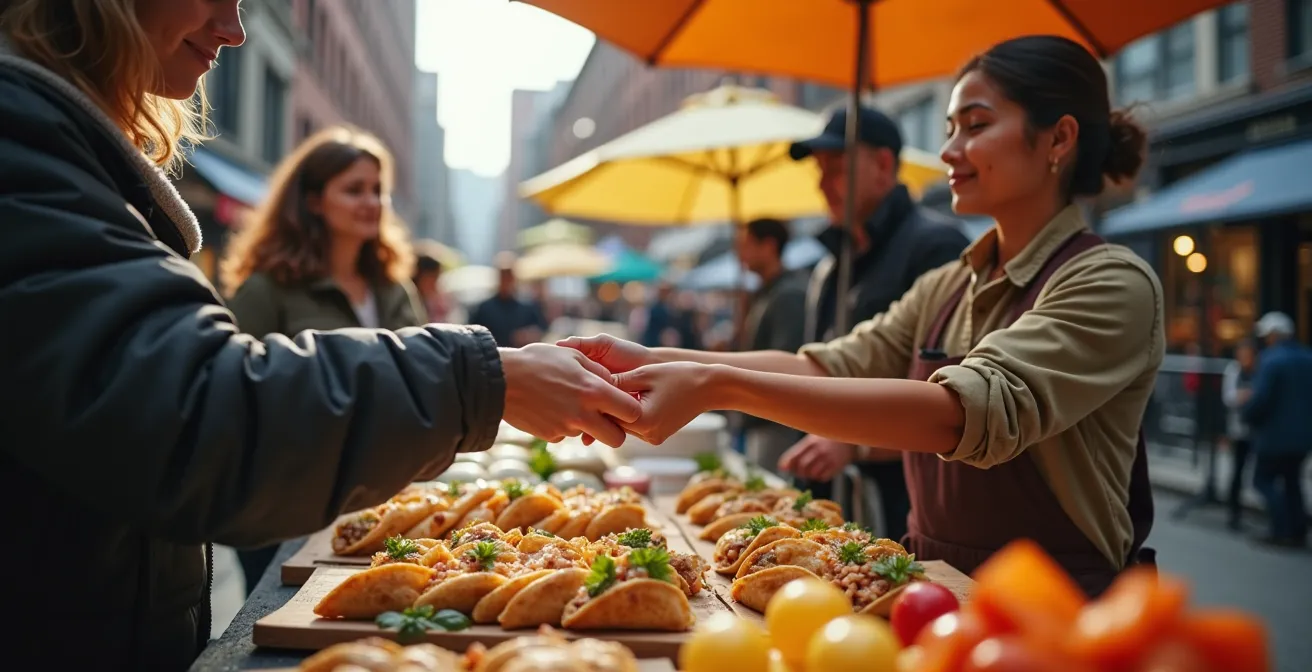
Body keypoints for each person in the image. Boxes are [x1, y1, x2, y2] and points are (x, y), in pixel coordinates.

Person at [0, 1, 640, 669]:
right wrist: (483, 380)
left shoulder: (52, 144)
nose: (235, 28)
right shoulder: (22, 138)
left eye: (378, 191)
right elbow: (201, 410)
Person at [562, 34, 1162, 597]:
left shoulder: (1110, 281)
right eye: (951, 128)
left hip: (1062, 610)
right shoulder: (948, 282)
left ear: (1058, 139)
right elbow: (823, 365)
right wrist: (658, 359)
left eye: (976, 125)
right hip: (936, 589)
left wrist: (718, 384)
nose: (949, 150)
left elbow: (961, 413)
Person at [219, 127, 431, 593]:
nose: (371, 202)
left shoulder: (394, 288)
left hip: (382, 496)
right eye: (353, 189)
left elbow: (424, 378)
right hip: (283, 504)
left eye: (377, 190)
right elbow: (233, 392)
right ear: (313, 201)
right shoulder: (266, 288)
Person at [777, 103, 969, 540]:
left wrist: (853, 442)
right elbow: (818, 370)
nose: (823, 183)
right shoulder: (829, 267)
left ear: (883, 164)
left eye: (837, 167)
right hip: (832, 500)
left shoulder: (936, 248)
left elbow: (950, 400)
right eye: (820, 170)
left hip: (903, 505)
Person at [736, 218, 808, 473]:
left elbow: (782, 360)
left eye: (746, 245)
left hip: (775, 419)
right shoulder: (767, 292)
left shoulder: (788, 294)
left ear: (768, 246)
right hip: (761, 415)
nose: (741, 255)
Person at [1244, 312, 1312, 548]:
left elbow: (1261, 398)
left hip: (1275, 435)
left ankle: (1282, 528)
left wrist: (1247, 414)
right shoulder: (1307, 357)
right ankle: (1298, 528)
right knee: (1292, 481)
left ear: (1273, 336)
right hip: (1302, 435)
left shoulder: (1272, 360)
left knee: (1263, 480)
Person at [470, 252, 549, 347]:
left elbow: (542, 329)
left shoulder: (527, 307)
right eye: (503, 275)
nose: (506, 280)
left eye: (509, 275)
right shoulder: (484, 308)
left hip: (521, 358)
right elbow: (472, 333)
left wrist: (530, 334)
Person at [1221, 338, 1258, 530]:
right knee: (1237, 471)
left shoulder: (1261, 369)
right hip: (1239, 428)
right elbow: (1229, 397)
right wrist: (1242, 395)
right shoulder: (1234, 370)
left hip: (1259, 429)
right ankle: (1234, 513)